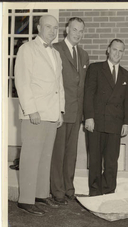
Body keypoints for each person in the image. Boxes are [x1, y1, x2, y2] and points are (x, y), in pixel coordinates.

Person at [15, 15, 65, 216]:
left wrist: (60, 110)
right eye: (48, 27)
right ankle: (25, 200)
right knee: (30, 156)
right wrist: (31, 109)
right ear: (38, 27)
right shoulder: (27, 49)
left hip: (52, 113)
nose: (52, 31)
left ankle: (40, 195)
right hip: (35, 113)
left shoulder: (56, 54)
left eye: (55, 28)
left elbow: (58, 85)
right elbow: (23, 81)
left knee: (45, 157)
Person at [84, 39, 128, 196]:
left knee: (112, 161)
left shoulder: (126, 75)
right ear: (108, 50)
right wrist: (89, 117)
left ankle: (109, 191)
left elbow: (127, 101)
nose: (117, 53)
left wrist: (126, 122)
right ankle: (95, 193)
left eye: (121, 51)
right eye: (114, 50)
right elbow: (88, 95)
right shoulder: (96, 68)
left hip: (115, 124)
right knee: (95, 161)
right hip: (96, 122)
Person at [50, 17, 89, 205]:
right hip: (61, 111)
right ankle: (57, 191)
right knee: (58, 153)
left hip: (76, 112)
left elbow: (82, 86)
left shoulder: (83, 54)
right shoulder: (56, 49)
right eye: (75, 30)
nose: (78, 34)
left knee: (71, 153)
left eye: (81, 31)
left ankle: (69, 188)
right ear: (66, 29)